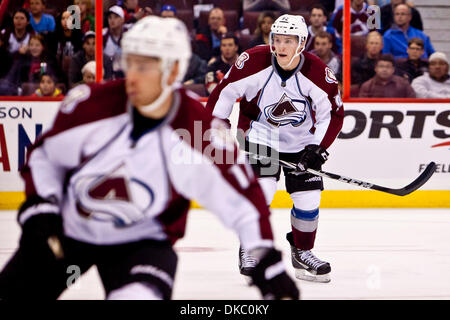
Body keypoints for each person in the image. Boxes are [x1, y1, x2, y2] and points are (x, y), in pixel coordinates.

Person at [0, 16, 299, 301]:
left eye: (144, 66)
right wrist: (41, 209)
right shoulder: (91, 104)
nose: (131, 74)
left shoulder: (199, 130)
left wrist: (267, 263)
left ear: (171, 71)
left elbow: (243, 200)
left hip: (141, 243)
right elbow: (46, 158)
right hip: (67, 229)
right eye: (130, 62)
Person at [206, 14, 344, 283]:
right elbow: (223, 95)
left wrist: (318, 149)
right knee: (263, 191)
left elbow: (333, 114)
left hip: (302, 141)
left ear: (301, 43)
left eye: (288, 41)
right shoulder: (252, 62)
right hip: (260, 136)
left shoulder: (318, 73)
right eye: (277, 39)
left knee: (309, 199)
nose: (280, 46)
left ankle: (303, 252)